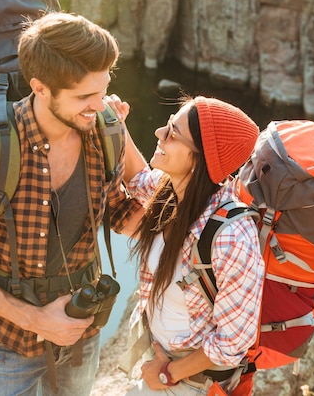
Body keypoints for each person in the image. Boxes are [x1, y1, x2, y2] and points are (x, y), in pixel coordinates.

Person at [0, 12, 143, 396]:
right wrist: (35, 319)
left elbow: (123, 219)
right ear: (40, 88)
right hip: (8, 345)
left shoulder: (104, 130)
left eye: (103, 90)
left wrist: (174, 174)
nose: (100, 105)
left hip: (82, 331)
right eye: (84, 97)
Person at [111, 94, 264, 395]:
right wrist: (116, 125)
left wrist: (167, 375)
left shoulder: (231, 237)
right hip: (159, 359)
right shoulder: (170, 192)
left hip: (191, 381)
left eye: (172, 133)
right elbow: (137, 178)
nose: (159, 134)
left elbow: (232, 342)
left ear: (199, 158)